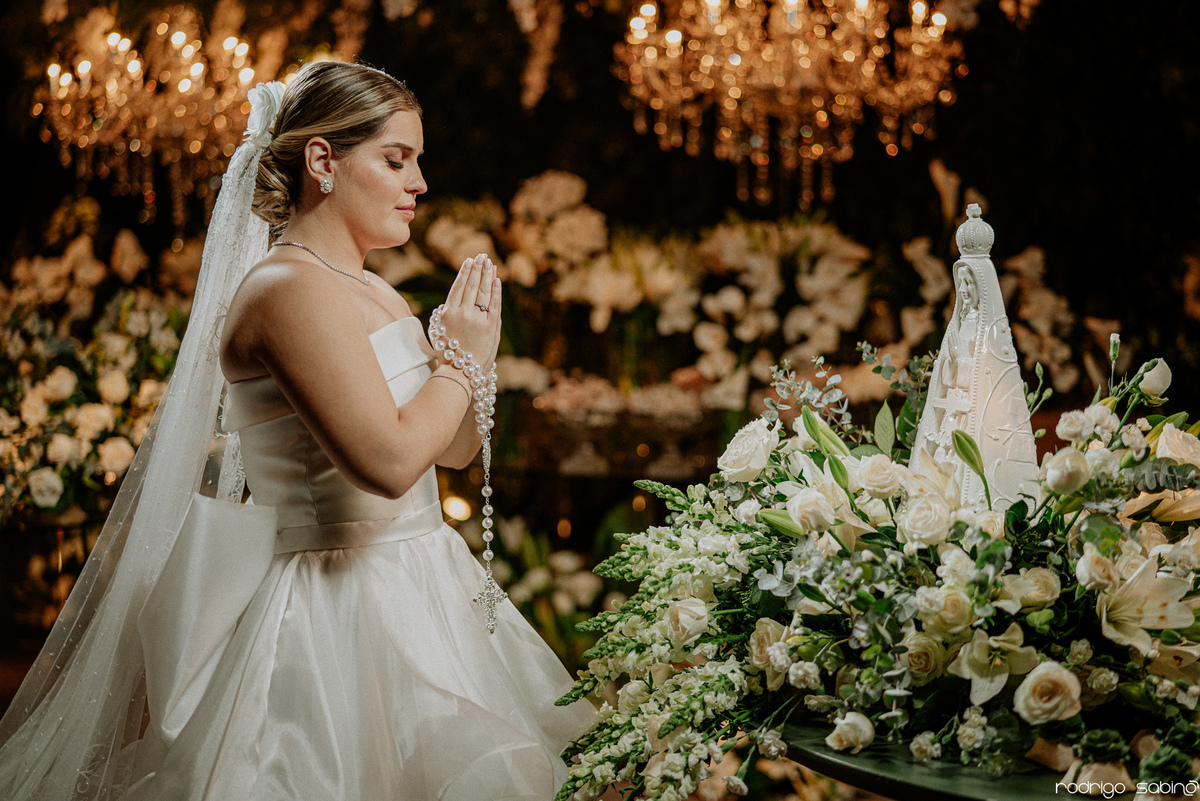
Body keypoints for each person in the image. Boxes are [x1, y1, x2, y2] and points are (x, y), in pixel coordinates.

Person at [0, 61, 595, 800]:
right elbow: (388, 464)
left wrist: (474, 357)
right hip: (334, 609)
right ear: (323, 161)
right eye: (396, 159)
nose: (420, 183)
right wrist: (461, 364)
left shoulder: (375, 290)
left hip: (424, 587)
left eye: (417, 161)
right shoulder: (287, 289)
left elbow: (450, 449)